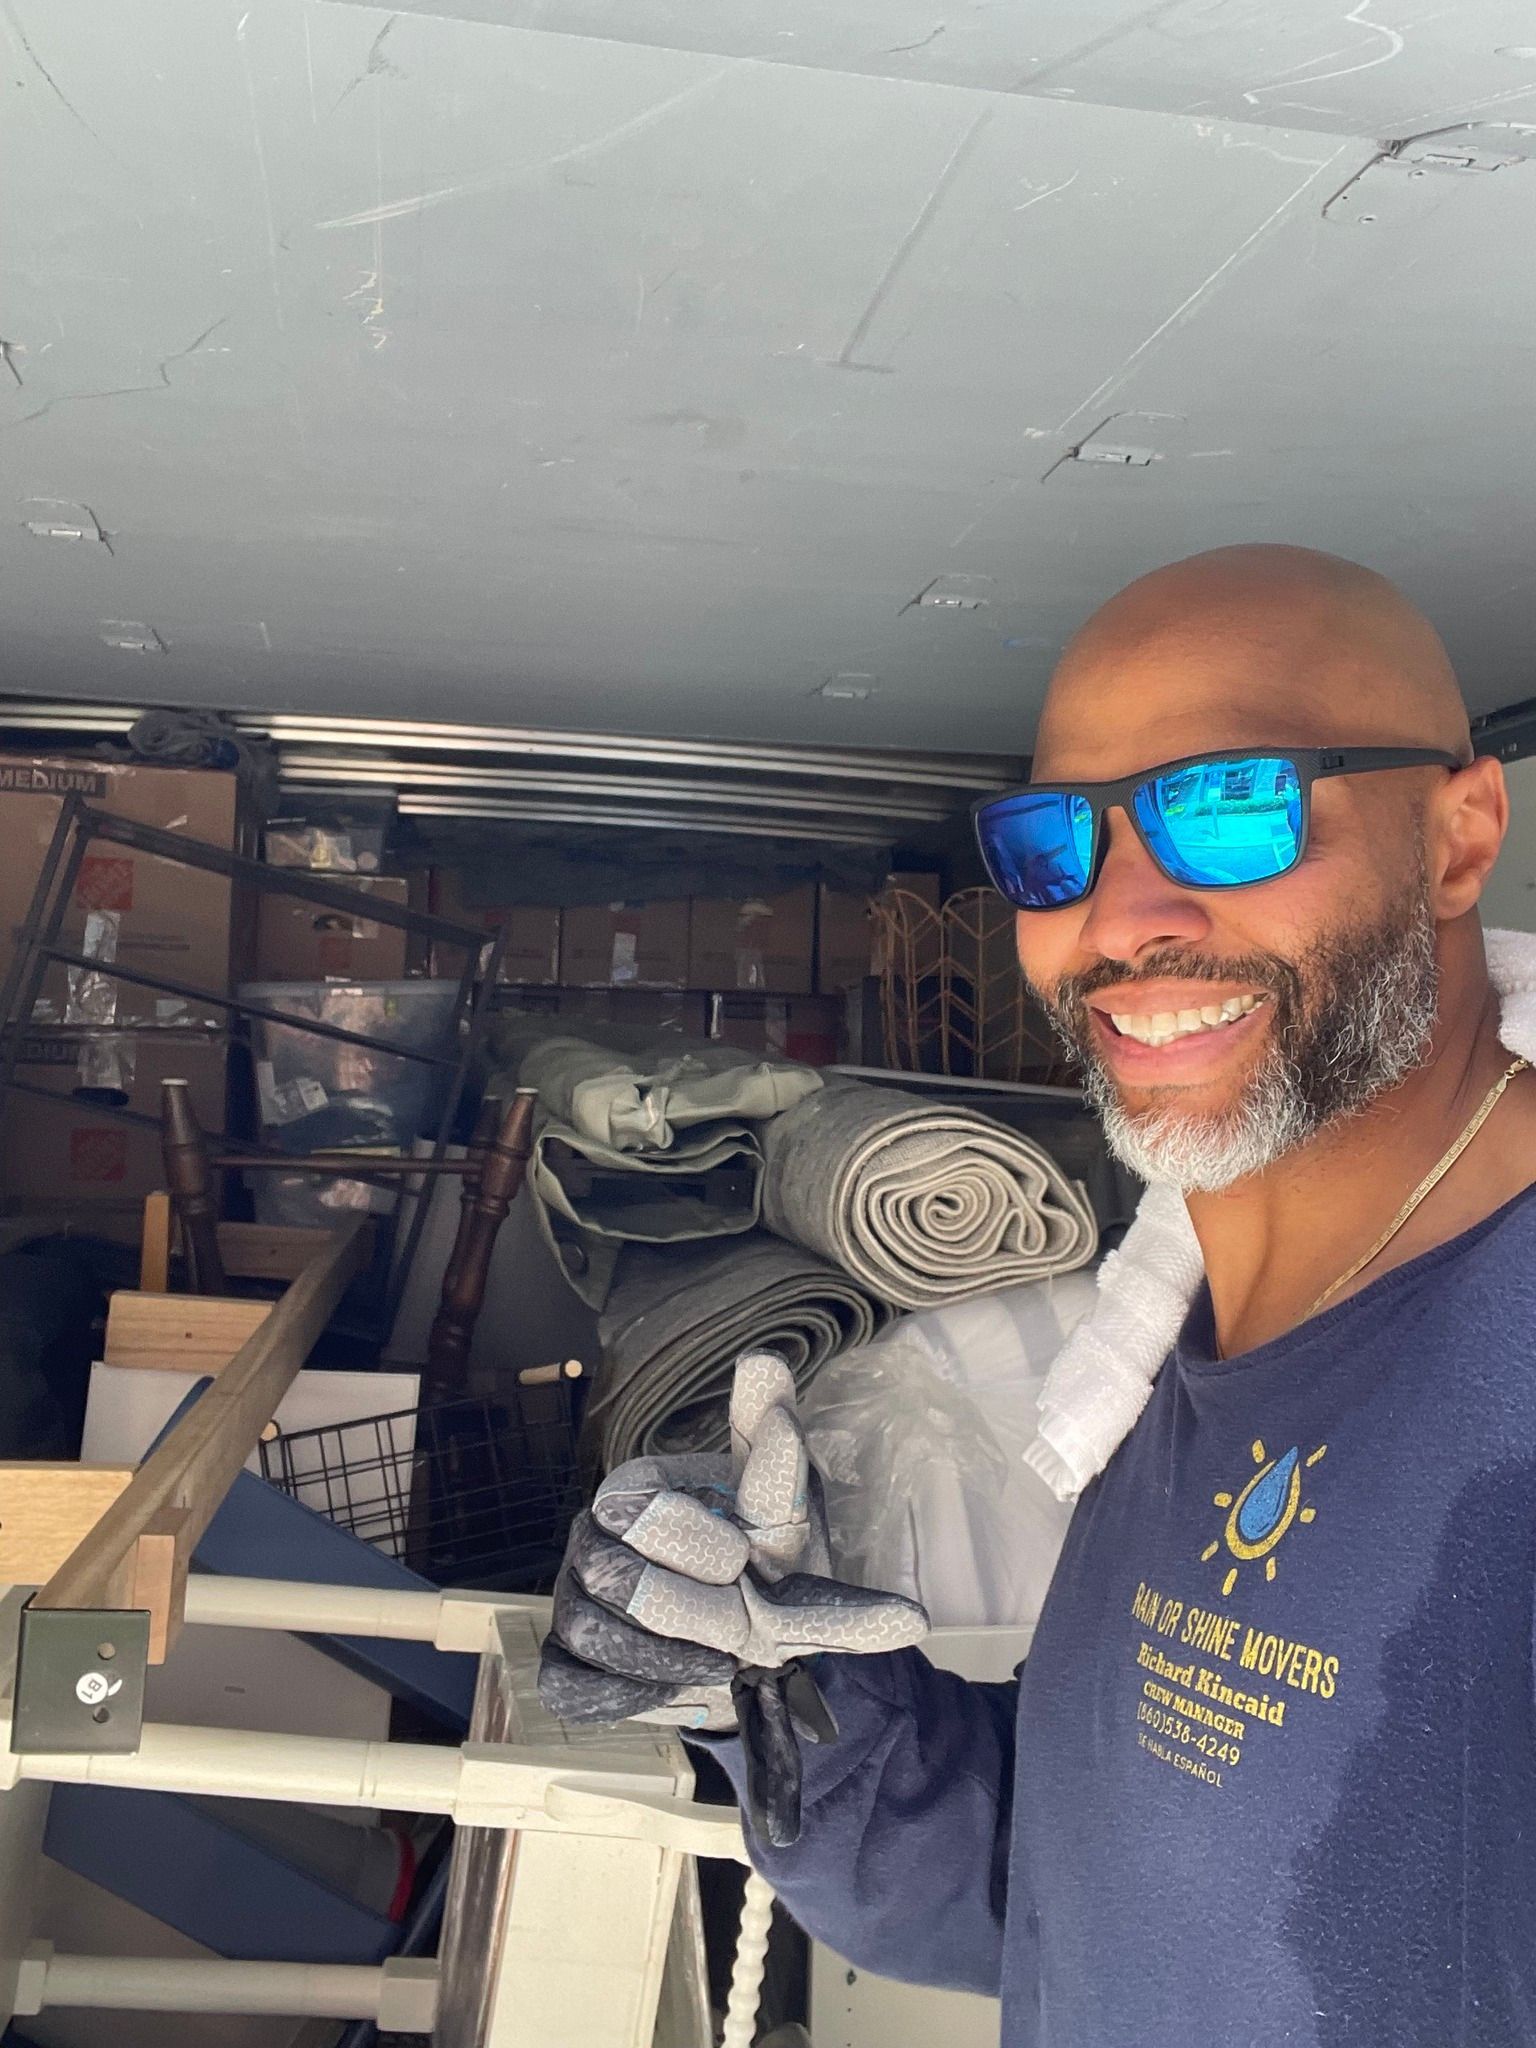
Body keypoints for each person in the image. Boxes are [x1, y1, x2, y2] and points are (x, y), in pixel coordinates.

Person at [540, 545, 1536, 2047]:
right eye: (1054, 842)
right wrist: (777, 1683)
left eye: (1232, 804)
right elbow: (1068, 1893)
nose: (1122, 916)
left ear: (1459, 839)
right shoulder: (1174, 1343)